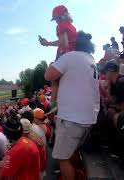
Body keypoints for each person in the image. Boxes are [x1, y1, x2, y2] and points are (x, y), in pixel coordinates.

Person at [44, 31, 100, 180]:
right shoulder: (90, 59)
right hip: (88, 117)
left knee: (62, 159)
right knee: (73, 152)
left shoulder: (70, 57)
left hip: (73, 118)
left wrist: (52, 64)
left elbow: (48, 75)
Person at [39, 5, 77, 109]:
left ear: (60, 17)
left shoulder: (60, 26)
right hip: (74, 55)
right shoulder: (72, 27)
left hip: (64, 54)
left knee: (52, 77)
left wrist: (47, 43)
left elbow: (63, 43)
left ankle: (53, 101)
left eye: (55, 18)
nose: (55, 21)